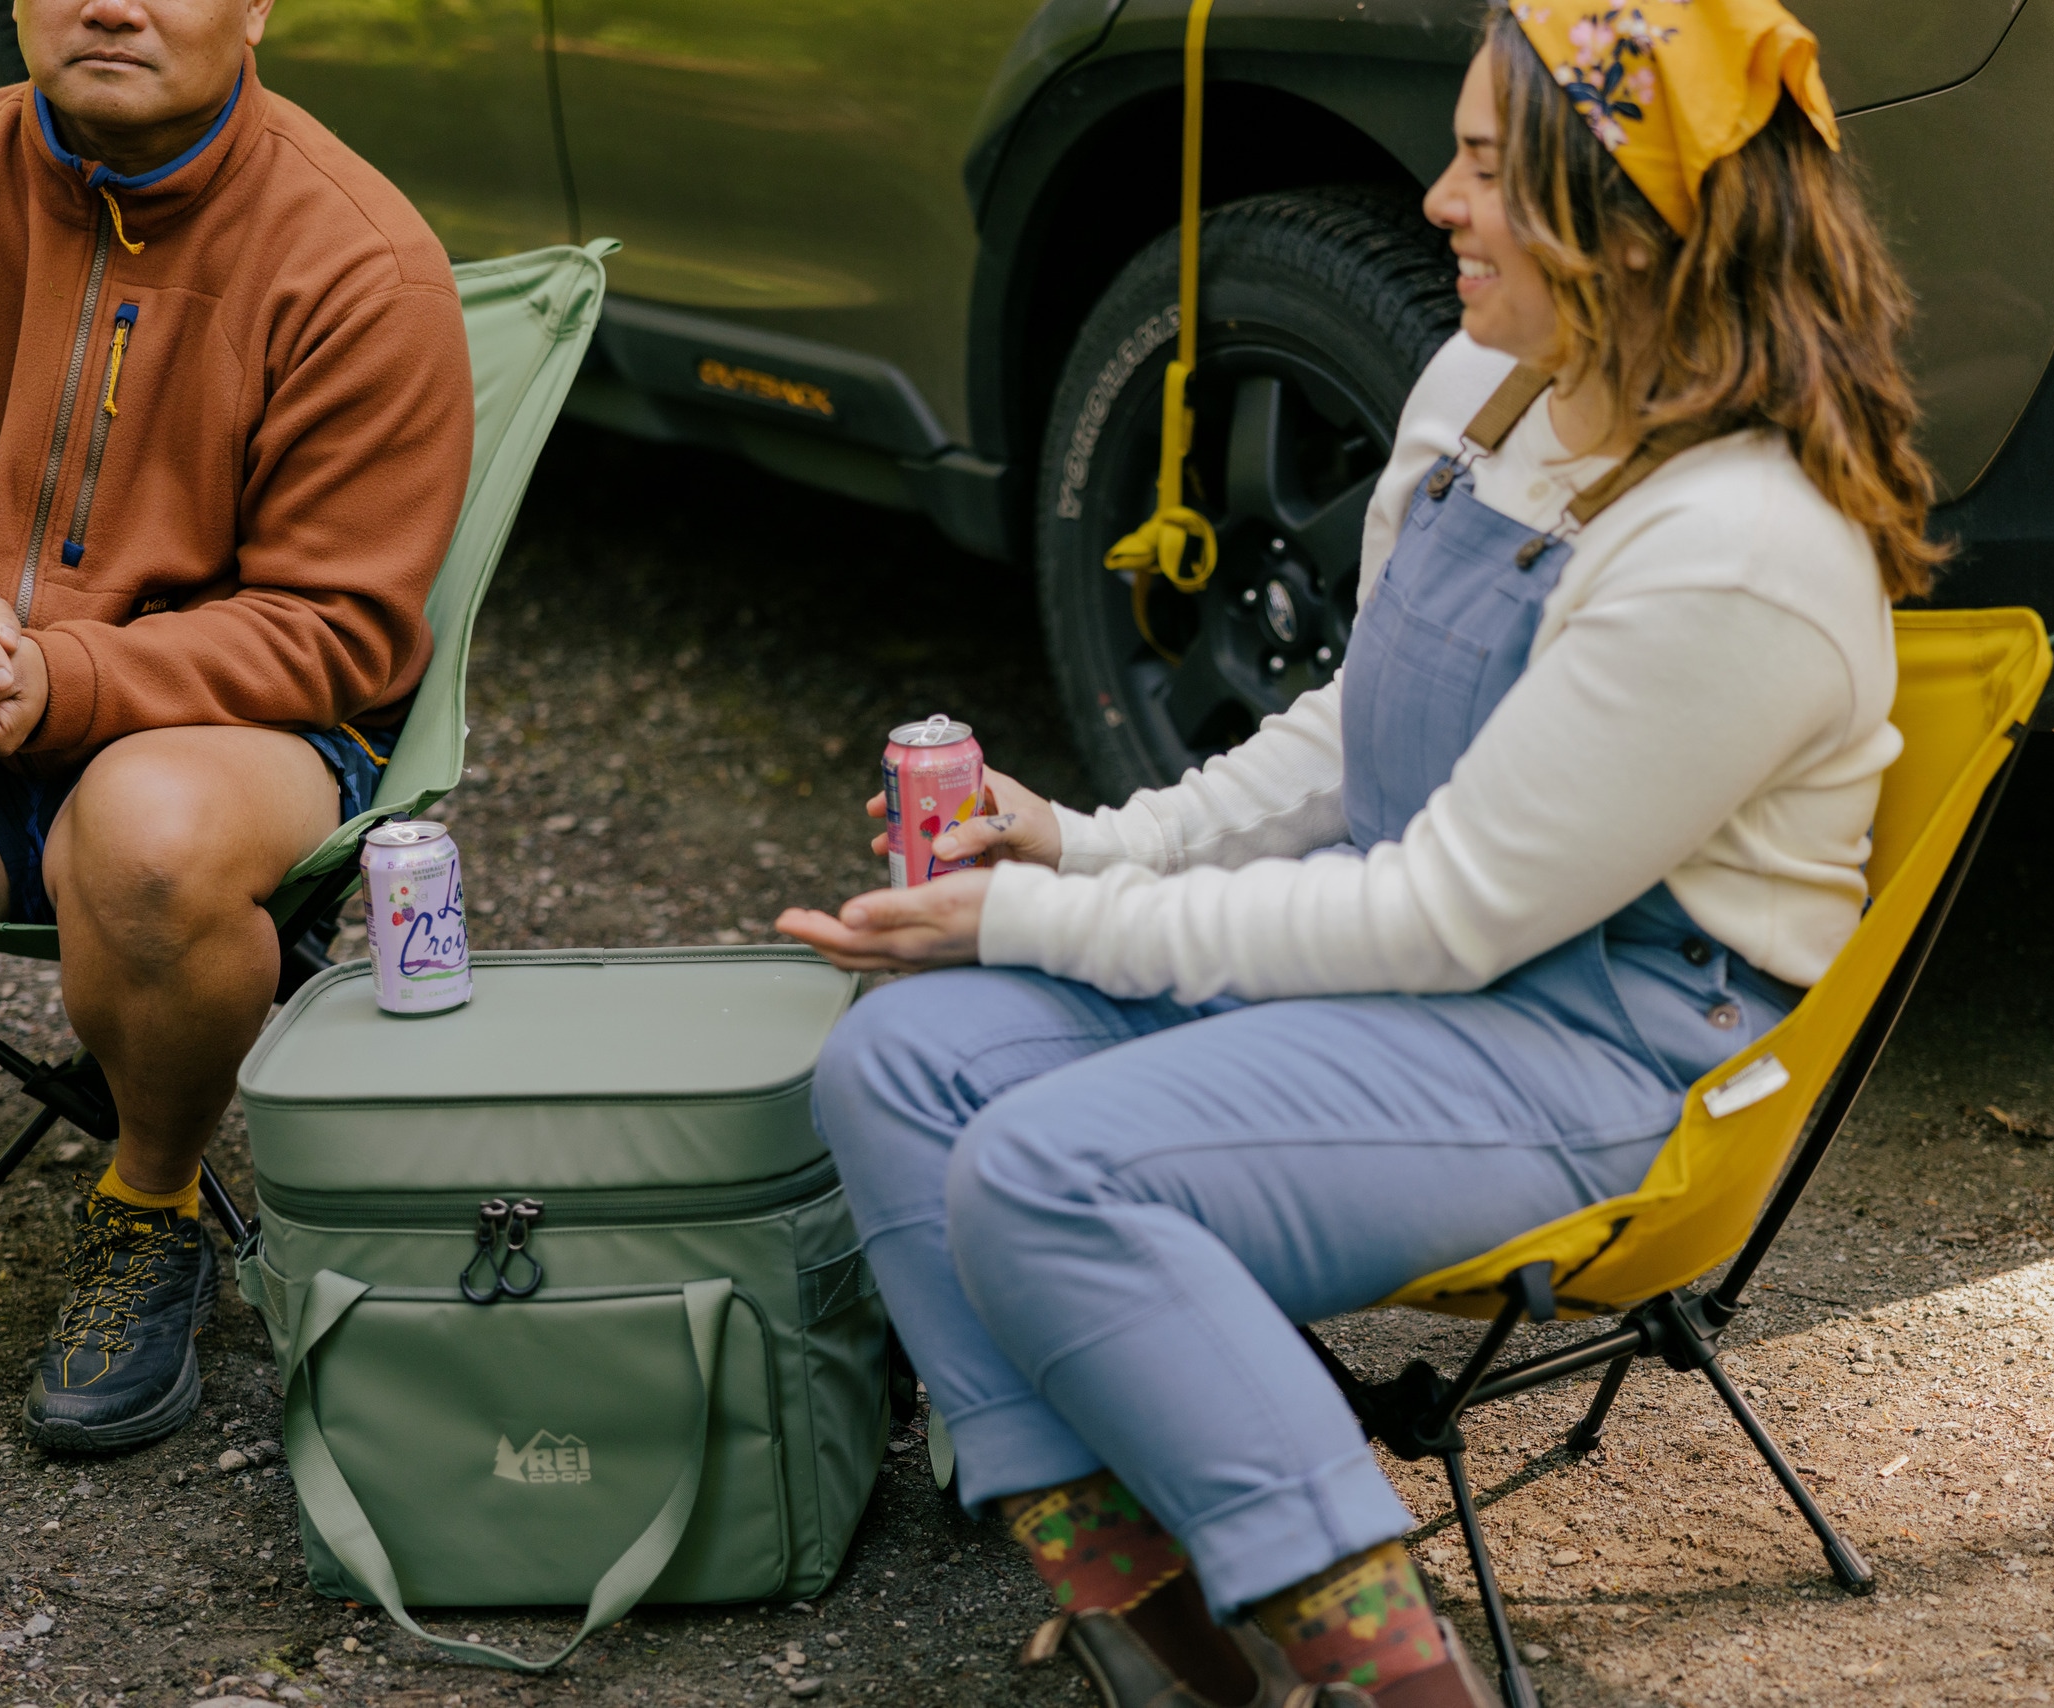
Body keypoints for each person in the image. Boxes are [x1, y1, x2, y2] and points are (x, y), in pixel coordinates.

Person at [779, 2, 1940, 1703]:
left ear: (1621, 222)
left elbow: (1444, 912)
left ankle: (1382, 1679)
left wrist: (1038, 922)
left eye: (1485, 167)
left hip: (1597, 1048)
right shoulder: (1497, 387)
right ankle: (1158, 1630)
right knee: (894, 1071)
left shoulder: (1735, 548)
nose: (1435, 204)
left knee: (1050, 1172)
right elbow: (1360, 730)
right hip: (1415, 972)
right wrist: (1093, 848)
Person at [0, 0, 471, 1500]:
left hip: (236, 745)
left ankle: (151, 1201)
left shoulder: (358, 258)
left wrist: (62, 677)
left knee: (145, 833)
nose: (113, 0)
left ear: (258, 5)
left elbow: (344, 630)